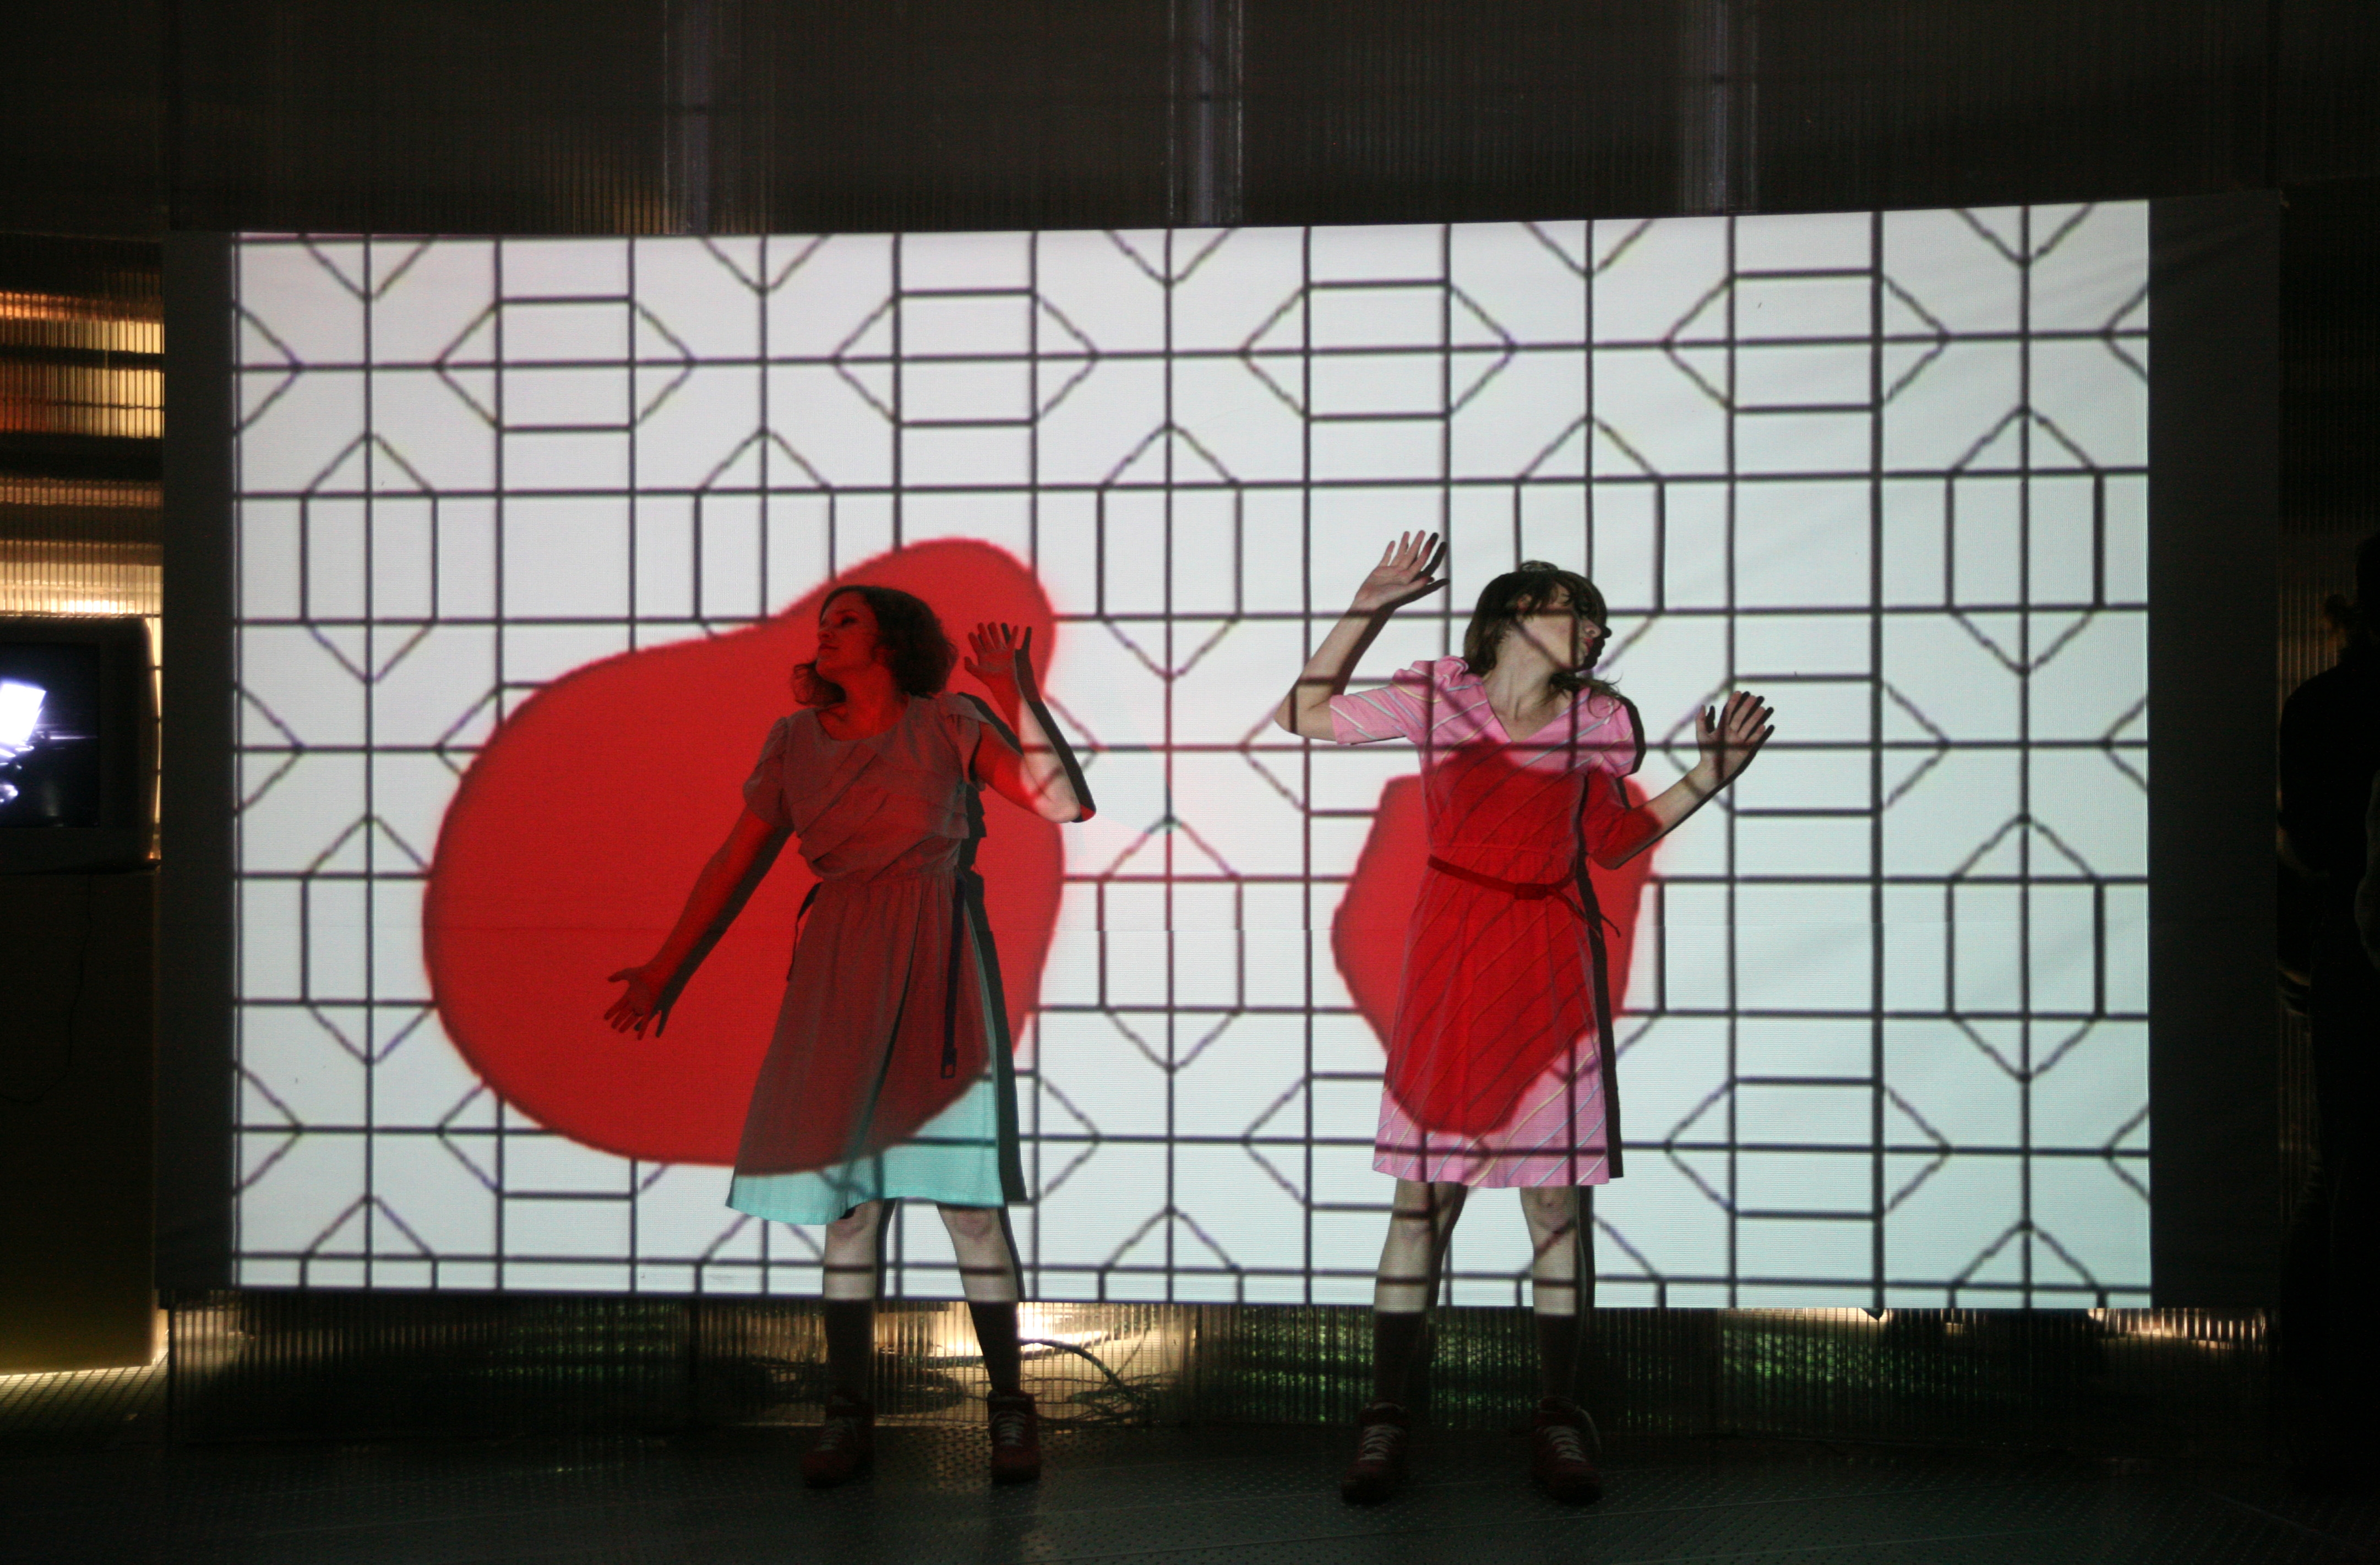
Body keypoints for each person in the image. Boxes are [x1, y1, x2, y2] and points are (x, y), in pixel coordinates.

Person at [1276, 535, 1771, 1506]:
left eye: (1594, 617)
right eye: (1568, 609)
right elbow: (1302, 714)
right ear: (1506, 622)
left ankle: (1557, 1412)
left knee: (1555, 1207)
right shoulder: (1438, 698)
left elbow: (1616, 840)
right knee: (1423, 1204)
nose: (1590, 630)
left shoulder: (1601, 722)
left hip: (1549, 966)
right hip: (1455, 965)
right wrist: (1369, 601)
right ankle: (1387, 1413)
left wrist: (1708, 776)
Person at [605, 585, 1092, 1488]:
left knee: (971, 1208)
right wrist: (665, 970)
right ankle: (846, 1414)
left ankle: (1009, 1408)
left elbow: (1062, 806)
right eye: (824, 622)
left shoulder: (951, 719)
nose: (825, 634)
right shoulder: (793, 742)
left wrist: (1017, 691)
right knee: (850, 1209)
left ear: (892, 642)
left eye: (847, 621)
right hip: (839, 965)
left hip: (936, 958)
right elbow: (732, 863)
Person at [2276, 533, 2380, 1485]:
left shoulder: (2317, 708)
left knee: (2340, 1168)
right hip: (2354, 953)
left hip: (2338, 954)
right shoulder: (2347, 711)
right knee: (2350, 1171)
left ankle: (2309, 1387)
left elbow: (2300, 844)